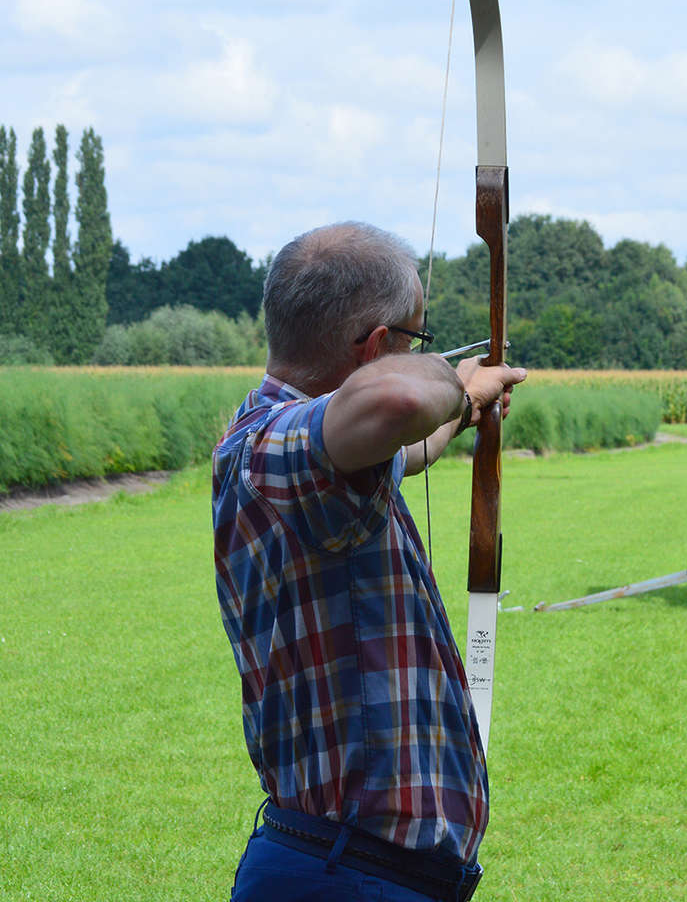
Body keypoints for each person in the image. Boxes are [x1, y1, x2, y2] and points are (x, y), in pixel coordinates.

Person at [212, 221, 525, 902]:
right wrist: (444, 376)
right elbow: (400, 400)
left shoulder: (307, 455)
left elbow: (405, 446)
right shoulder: (273, 447)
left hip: (354, 872)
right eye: (416, 337)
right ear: (378, 345)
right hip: (345, 877)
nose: (423, 354)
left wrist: (468, 404)